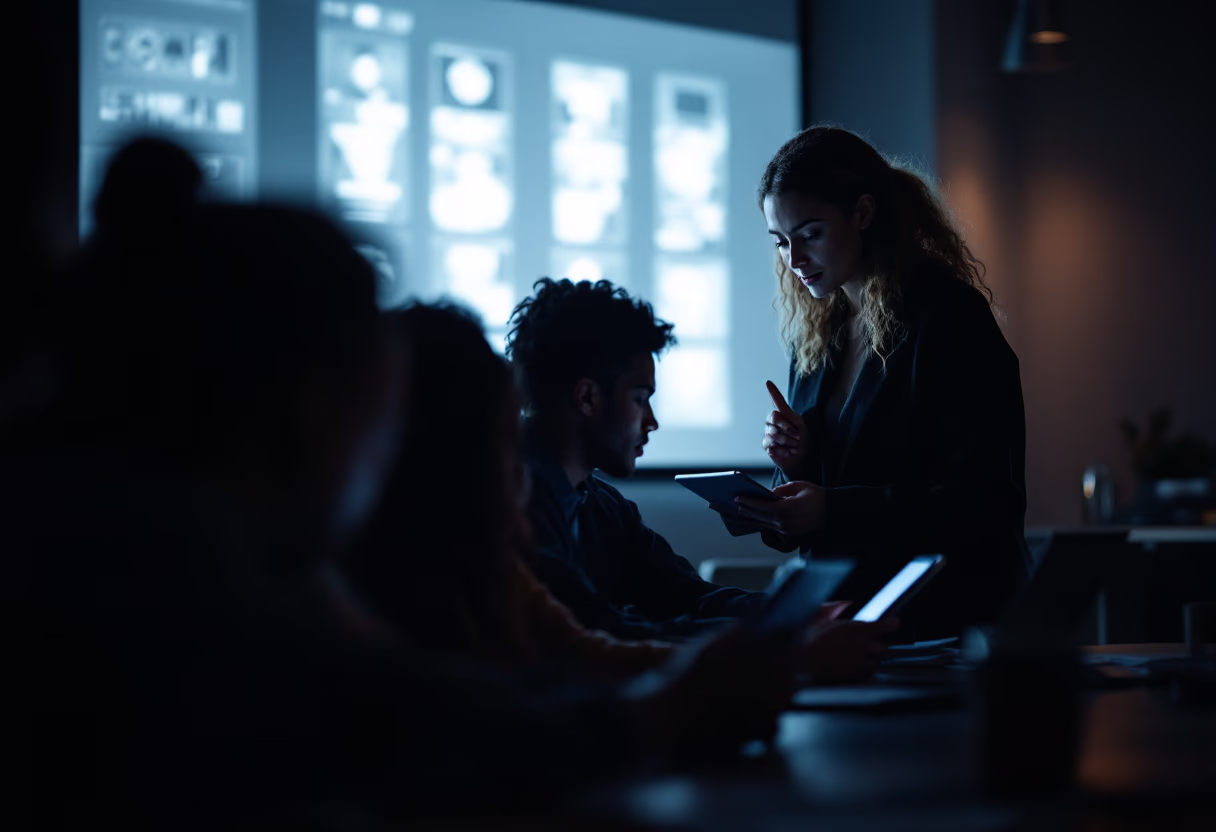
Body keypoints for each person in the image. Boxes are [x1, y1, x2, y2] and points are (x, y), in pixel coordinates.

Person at [733, 126, 1029, 640]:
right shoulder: (816, 335)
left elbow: (983, 502)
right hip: (845, 622)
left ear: (864, 213)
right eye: (781, 242)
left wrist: (831, 506)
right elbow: (825, 499)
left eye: (810, 234)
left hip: (942, 621)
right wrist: (795, 466)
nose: (794, 259)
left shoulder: (948, 317)